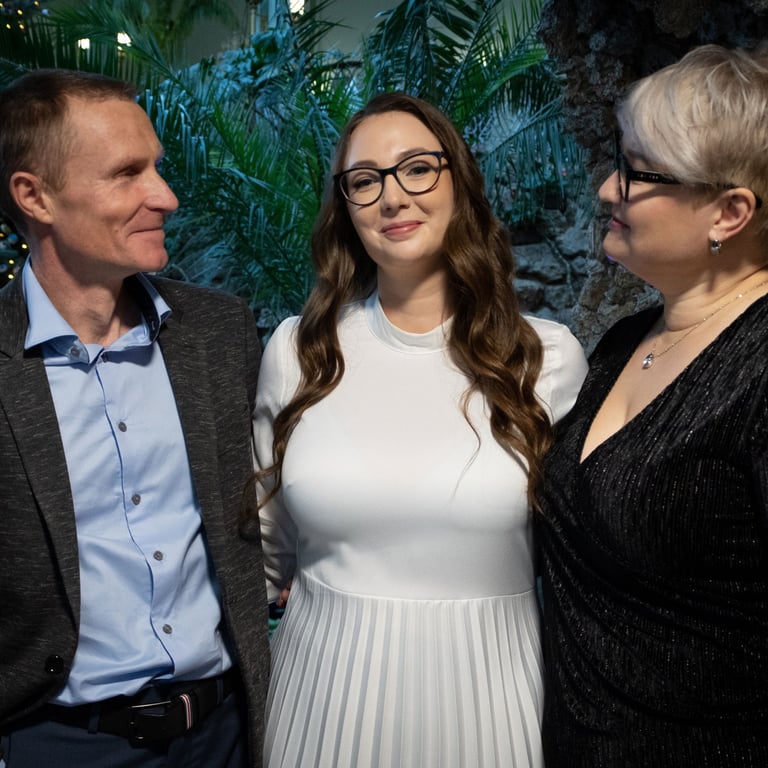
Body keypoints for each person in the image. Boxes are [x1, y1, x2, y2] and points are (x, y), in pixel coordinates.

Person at [252, 91, 587, 767]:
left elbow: (581, 565)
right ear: (346, 207)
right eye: (365, 180)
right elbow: (263, 552)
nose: (392, 197)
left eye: (417, 169)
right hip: (320, 703)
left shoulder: (545, 358)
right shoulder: (299, 351)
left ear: (459, 181)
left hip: (492, 705)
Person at [0, 69, 269, 768]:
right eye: (127, 174)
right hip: (56, 743)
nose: (166, 196)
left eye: (157, 167)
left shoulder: (220, 334)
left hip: (226, 734)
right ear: (35, 196)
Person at [536, 44, 768, 766]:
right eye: (619, 160)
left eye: (640, 172)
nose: (609, 188)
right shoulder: (622, 341)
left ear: (729, 212)